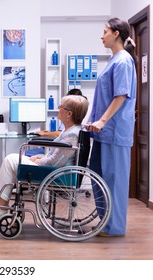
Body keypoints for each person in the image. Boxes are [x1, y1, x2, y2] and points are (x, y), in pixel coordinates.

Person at [0, 95, 89, 217]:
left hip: (55, 173)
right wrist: (40, 158)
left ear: (69, 114)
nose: (58, 108)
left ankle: (1, 206)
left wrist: (38, 162)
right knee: (13, 159)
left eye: (61, 106)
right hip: (53, 169)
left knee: (10, 160)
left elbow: (55, 163)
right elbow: (57, 158)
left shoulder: (71, 135)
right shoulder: (70, 131)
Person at [87, 18, 137, 237]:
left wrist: (103, 121)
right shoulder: (115, 59)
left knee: (114, 181)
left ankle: (114, 227)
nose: (102, 35)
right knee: (98, 175)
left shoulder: (123, 61)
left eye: (105, 31)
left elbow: (121, 95)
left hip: (114, 131)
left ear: (116, 34)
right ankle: (105, 221)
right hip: (102, 132)